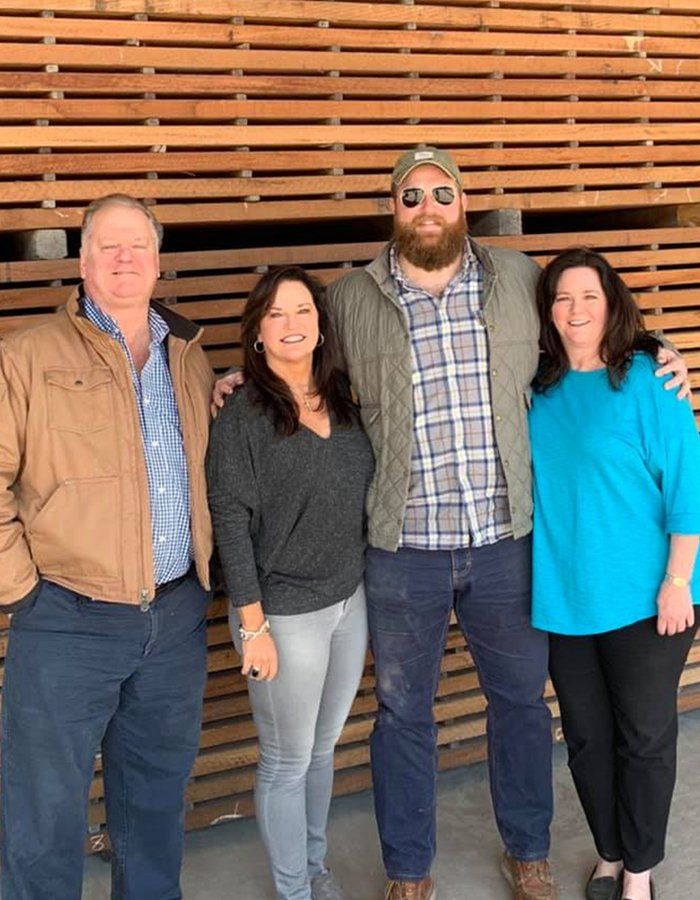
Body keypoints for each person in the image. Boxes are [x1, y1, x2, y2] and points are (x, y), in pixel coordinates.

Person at [213, 147, 689, 900]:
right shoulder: (345, 302)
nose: (427, 206)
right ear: (393, 210)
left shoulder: (520, 281)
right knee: (403, 714)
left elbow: (590, 324)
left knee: (521, 708)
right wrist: (242, 375)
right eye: (411, 196)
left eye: (442, 193)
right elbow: (294, 350)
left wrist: (657, 348)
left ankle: (528, 851)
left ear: (462, 202)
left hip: (507, 544)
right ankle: (409, 870)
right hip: (404, 551)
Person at [0, 194, 214, 900]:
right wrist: (23, 587)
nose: (124, 258)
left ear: (156, 262)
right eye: (108, 246)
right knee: (44, 808)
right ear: (83, 260)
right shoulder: (28, 357)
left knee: (154, 803)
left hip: (176, 617)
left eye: (138, 247)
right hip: (67, 618)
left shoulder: (188, 357)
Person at [529, 248, 700, 900]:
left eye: (589, 296)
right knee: (586, 739)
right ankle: (609, 847)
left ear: (611, 304)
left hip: (650, 595)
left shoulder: (650, 381)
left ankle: (638, 871)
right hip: (566, 597)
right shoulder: (534, 388)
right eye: (562, 297)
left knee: (644, 737)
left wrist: (678, 581)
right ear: (547, 310)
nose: (575, 310)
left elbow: (688, 488)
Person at [207, 266, 374, 900]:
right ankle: (293, 891)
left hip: (347, 603)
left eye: (302, 310)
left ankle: (315, 868)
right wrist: (253, 625)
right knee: (285, 759)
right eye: (275, 314)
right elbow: (229, 517)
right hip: (281, 615)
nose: (291, 324)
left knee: (323, 748)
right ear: (256, 333)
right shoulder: (243, 411)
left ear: (321, 324)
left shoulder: (343, 397)